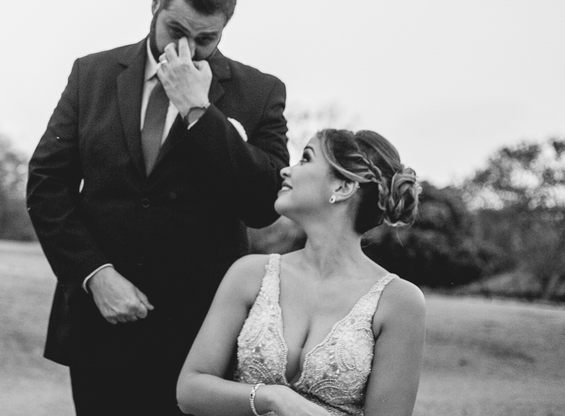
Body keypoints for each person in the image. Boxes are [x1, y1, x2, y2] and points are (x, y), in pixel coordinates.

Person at [27, 0, 290, 416]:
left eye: (206, 38)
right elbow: (47, 183)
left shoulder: (260, 92)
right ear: (155, 4)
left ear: (226, 27)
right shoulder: (92, 75)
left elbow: (263, 206)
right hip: (100, 323)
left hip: (201, 336)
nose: (187, 49)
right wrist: (94, 274)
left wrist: (200, 113)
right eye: (176, 30)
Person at [176, 129, 426, 416]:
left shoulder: (398, 301)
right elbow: (190, 389)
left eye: (305, 159)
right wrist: (273, 398)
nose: (285, 170)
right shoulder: (250, 274)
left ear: (343, 187)